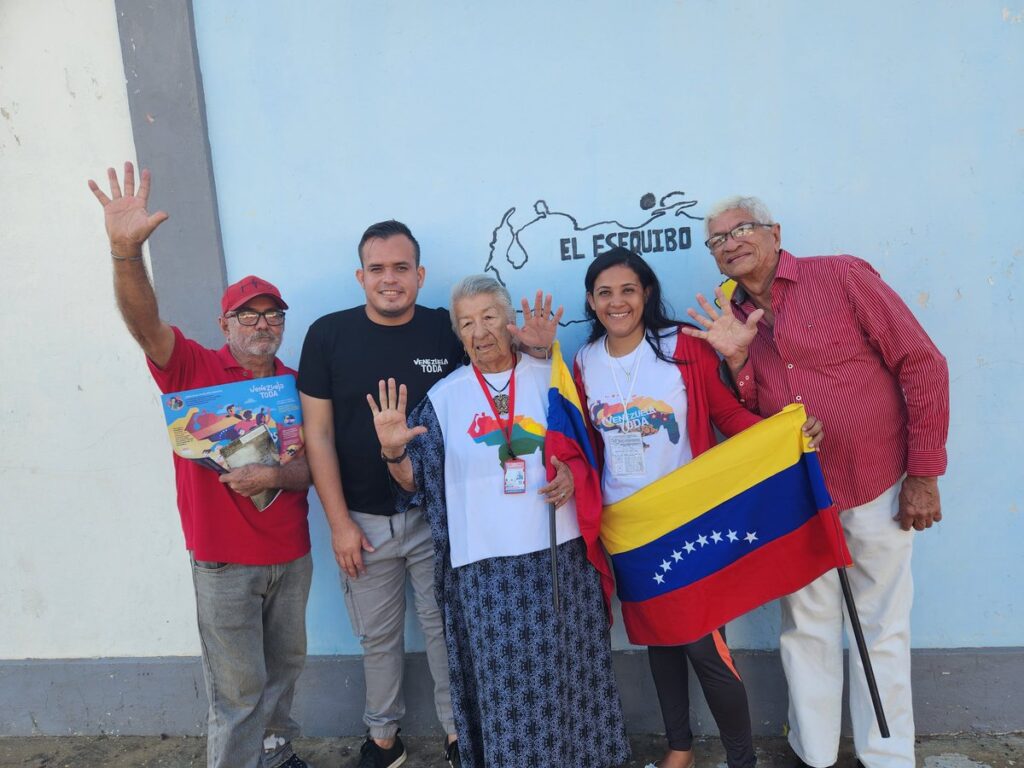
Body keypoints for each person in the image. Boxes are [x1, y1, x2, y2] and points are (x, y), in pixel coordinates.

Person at [685, 197, 949, 768]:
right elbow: (744, 417)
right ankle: (815, 755)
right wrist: (735, 363)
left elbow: (922, 361)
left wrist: (923, 471)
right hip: (798, 495)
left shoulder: (841, 276)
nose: (730, 243)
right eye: (717, 240)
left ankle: (886, 756)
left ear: (775, 234)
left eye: (742, 229)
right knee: (806, 627)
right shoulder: (729, 316)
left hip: (876, 478)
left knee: (882, 624)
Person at [297, 222, 559, 768]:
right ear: (360, 276)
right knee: (378, 637)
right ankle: (384, 740)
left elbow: (496, 364)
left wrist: (535, 345)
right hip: (364, 520)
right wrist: (339, 523)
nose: (389, 280)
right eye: (377, 269)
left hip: (438, 517)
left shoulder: (446, 330)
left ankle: (458, 734)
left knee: (448, 630)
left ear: (419, 275)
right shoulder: (327, 336)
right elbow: (316, 436)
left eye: (400, 269)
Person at [88, 162, 314, 768]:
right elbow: (143, 324)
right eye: (249, 316)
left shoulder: (298, 385)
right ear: (225, 325)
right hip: (222, 563)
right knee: (236, 694)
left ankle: (274, 754)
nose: (262, 326)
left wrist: (275, 475)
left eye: (273, 316)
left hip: (290, 557)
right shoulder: (191, 368)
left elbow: (315, 467)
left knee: (284, 675)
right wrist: (125, 255)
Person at [571, 247, 824, 768]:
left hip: (688, 519)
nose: (617, 302)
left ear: (646, 294)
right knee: (660, 643)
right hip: (630, 529)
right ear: (592, 302)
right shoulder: (584, 361)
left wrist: (785, 435)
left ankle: (741, 759)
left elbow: (727, 413)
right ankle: (679, 749)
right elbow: (585, 446)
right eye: (605, 293)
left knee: (707, 648)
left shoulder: (681, 345)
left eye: (628, 290)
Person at [365, 275, 631, 768]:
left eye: (489, 317)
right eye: (466, 322)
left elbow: (591, 446)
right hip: (486, 570)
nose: (479, 331)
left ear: (508, 322)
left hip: (558, 555)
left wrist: (572, 473)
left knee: (569, 670)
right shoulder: (444, 398)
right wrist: (392, 450)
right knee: (507, 683)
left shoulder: (550, 376)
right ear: (458, 333)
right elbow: (413, 482)